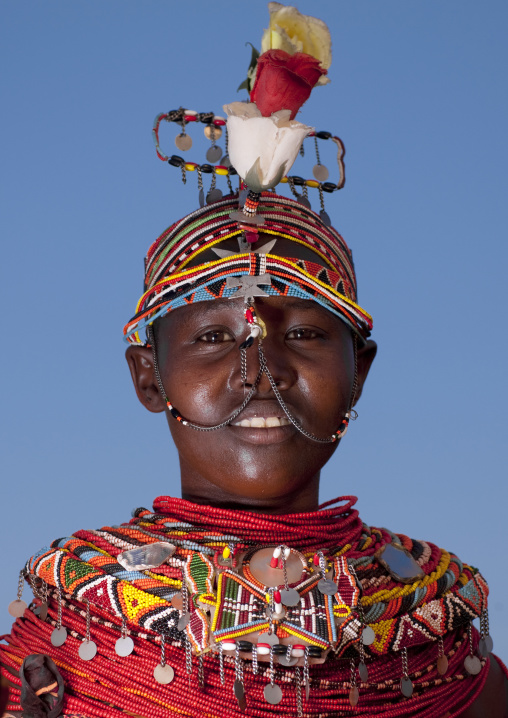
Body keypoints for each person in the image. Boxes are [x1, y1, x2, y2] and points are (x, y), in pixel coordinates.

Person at [1, 5, 507, 717]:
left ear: (360, 370)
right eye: (213, 338)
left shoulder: (440, 628)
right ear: (148, 376)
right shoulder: (66, 631)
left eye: (302, 335)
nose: (260, 370)